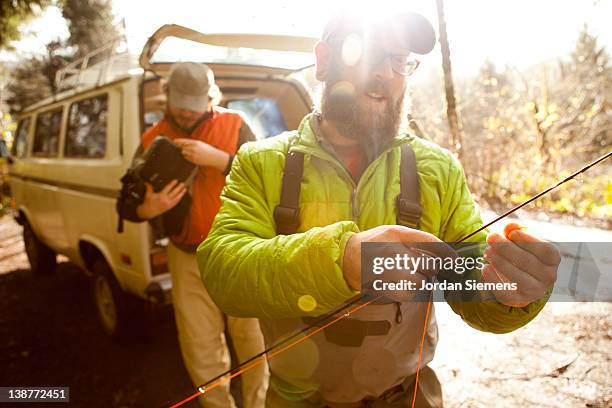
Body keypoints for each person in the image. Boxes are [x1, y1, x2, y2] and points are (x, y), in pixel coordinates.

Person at [197, 11, 560, 408]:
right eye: (366, 53)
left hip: (407, 398)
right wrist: (341, 260)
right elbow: (223, 271)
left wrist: (513, 291)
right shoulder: (260, 162)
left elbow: (470, 274)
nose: (385, 73)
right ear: (322, 61)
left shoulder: (436, 169)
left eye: (398, 60)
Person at [119, 62, 268, 408]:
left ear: (210, 97)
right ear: (167, 95)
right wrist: (146, 209)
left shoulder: (235, 126)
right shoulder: (151, 139)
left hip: (239, 253)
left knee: (252, 339)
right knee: (200, 347)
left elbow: (268, 180)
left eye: (195, 102)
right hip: (186, 257)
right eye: (180, 100)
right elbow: (124, 202)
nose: (187, 110)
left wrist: (221, 160)